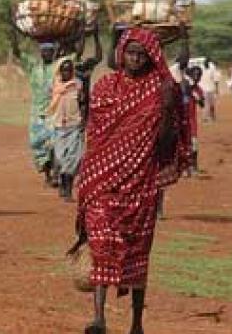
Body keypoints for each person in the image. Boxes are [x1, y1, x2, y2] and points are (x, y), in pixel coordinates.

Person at [73, 27, 190, 334]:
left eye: (143, 55)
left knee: (138, 250)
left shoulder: (160, 90)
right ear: (121, 53)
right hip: (102, 179)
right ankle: (99, 318)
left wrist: (166, 108)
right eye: (131, 53)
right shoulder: (106, 86)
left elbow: (166, 145)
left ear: (152, 58)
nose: (136, 60)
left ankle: (137, 322)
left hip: (141, 184)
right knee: (101, 243)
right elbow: (95, 131)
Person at [12, 39, 58, 186]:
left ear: (53, 53)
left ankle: (55, 174)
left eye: (49, 51)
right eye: (44, 51)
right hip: (37, 112)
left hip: (54, 110)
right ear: (40, 53)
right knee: (37, 144)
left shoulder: (59, 67)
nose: (46, 54)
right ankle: (47, 173)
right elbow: (18, 53)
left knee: (55, 143)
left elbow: (77, 54)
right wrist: (13, 35)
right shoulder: (33, 66)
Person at [47, 57, 84, 202]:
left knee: (74, 158)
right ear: (59, 71)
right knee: (61, 158)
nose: (66, 73)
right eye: (63, 70)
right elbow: (49, 104)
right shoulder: (54, 86)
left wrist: (84, 121)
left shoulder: (78, 85)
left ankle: (68, 189)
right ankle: (63, 180)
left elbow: (83, 103)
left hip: (74, 125)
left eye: (69, 70)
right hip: (58, 127)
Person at [184, 66, 205, 176]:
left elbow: (202, 104)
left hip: (191, 121)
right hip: (181, 121)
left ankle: (194, 167)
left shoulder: (197, 89)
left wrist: (194, 94)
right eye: (195, 75)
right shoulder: (183, 86)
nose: (196, 77)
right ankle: (184, 167)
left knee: (194, 144)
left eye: (198, 75)